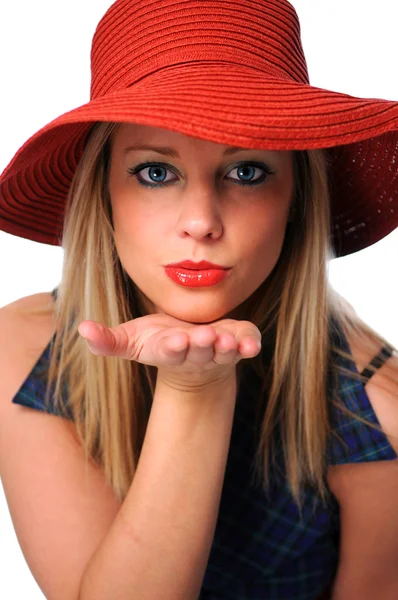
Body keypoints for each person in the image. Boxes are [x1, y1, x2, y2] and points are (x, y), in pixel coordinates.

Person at [0, 0, 397, 598]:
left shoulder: (379, 414)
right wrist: (194, 386)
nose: (202, 222)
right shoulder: (21, 349)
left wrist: (199, 380)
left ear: (297, 200)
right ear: (102, 194)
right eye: (157, 172)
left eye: (247, 173)